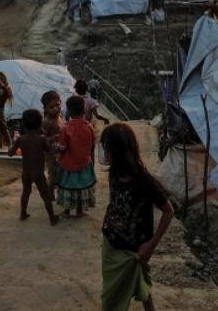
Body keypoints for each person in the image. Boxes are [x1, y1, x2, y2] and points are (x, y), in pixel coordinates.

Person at [99, 123, 174, 311]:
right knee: (135, 283)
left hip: (135, 249)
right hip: (111, 241)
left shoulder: (144, 181)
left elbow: (168, 211)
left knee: (113, 300)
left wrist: (152, 244)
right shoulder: (114, 172)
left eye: (105, 149)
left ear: (116, 151)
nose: (103, 154)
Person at [9, 109, 59, 226]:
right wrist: (45, 134)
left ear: (24, 124)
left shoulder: (20, 139)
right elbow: (47, 148)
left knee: (26, 192)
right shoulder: (41, 139)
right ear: (39, 124)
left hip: (26, 172)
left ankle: (23, 214)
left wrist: (12, 141)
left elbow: (10, 153)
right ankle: (52, 218)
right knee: (45, 196)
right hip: (38, 173)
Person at [55, 96, 96, 217]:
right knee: (81, 187)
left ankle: (67, 211)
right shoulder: (90, 126)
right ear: (85, 110)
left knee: (68, 187)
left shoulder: (66, 128)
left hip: (68, 164)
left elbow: (62, 147)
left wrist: (55, 146)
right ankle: (79, 211)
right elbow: (92, 144)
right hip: (84, 163)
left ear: (69, 112)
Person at [41, 91, 64, 191]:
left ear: (60, 102)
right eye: (51, 107)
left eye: (57, 105)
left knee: (60, 173)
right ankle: (50, 196)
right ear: (46, 109)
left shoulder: (59, 117)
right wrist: (52, 138)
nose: (55, 109)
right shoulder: (47, 122)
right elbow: (41, 139)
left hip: (59, 151)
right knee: (53, 174)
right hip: (50, 153)